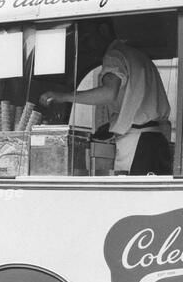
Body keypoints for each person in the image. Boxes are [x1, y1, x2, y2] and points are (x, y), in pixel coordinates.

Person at [39, 20, 171, 175]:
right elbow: (134, 103)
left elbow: (109, 93)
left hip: (137, 143)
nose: (86, 43)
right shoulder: (137, 56)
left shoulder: (114, 55)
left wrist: (64, 97)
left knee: (131, 196)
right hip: (157, 141)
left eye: (88, 37)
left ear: (103, 30)